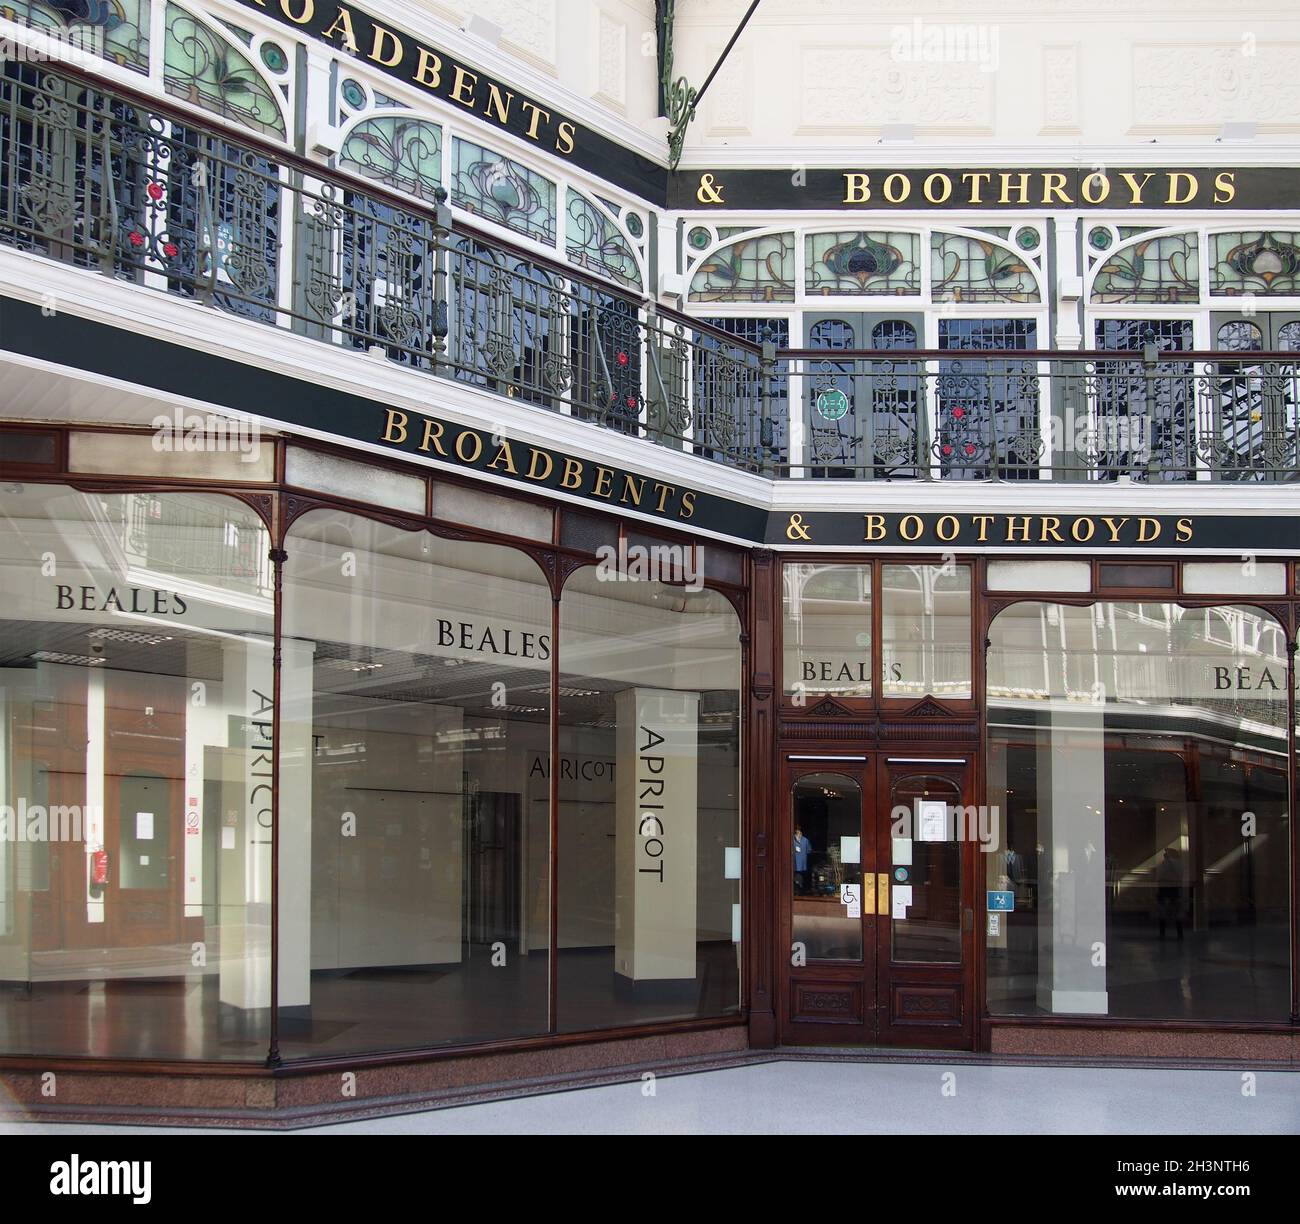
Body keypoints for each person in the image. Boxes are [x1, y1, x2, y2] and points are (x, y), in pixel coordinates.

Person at [1156, 848, 1184, 941]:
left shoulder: (1177, 864)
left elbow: (1179, 874)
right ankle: (1162, 933)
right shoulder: (1163, 864)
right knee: (1163, 911)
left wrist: (1169, 862)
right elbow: (1160, 875)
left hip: (1173, 888)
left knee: (1176, 911)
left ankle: (1179, 934)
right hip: (1165, 888)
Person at [794, 825, 811, 895]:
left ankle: (799, 889)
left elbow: (809, 850)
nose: (799, 834)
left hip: (802, 863)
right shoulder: (791, 840)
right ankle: (797, 889)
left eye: (800, 833)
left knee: (800, 876)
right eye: (797, 833)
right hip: (793, 862)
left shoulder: (805, 840)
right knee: (795, 876)